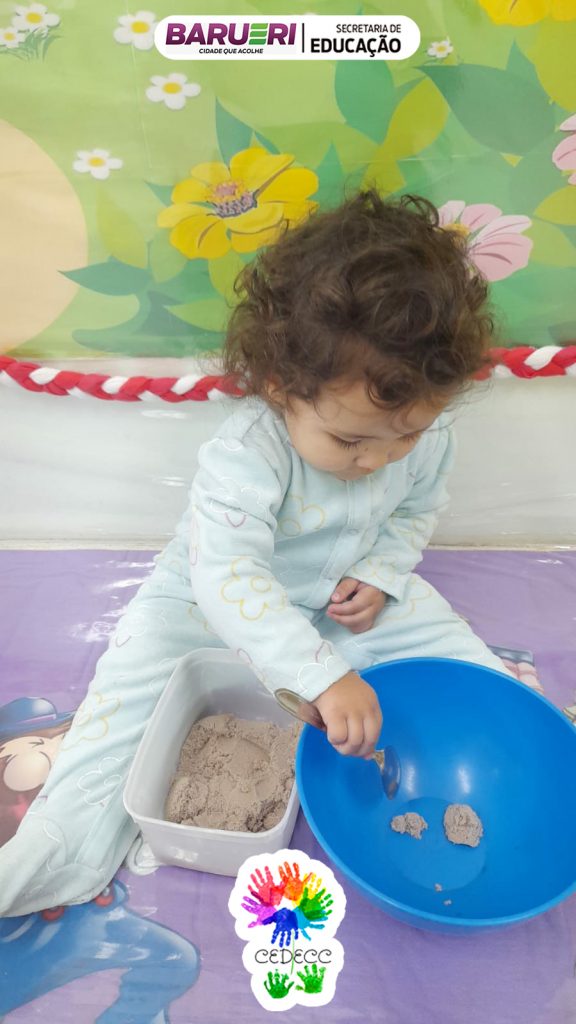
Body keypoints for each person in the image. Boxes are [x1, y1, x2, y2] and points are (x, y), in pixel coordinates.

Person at [0, 189, 512, 916]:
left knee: (474, 674)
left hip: (342, 599)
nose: (380, 459)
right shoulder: (249, 450)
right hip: (205, 602)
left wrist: (382, 570)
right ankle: (51, 857)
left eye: (407, 436)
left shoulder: (421, 433)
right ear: (280, 388)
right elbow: (227, 573)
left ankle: (526, 751)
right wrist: (322, 676)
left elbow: (414, 509)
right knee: (117, 719)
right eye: (350, 440)